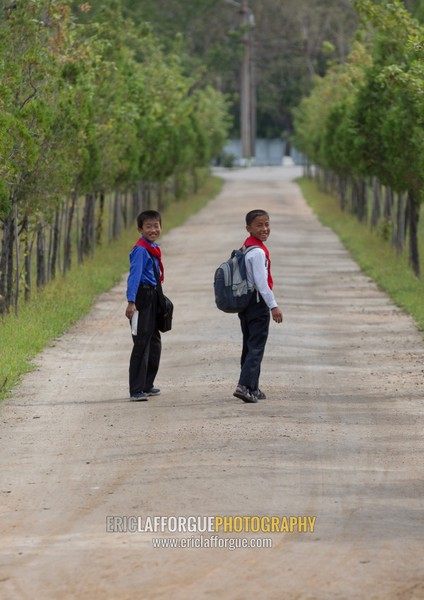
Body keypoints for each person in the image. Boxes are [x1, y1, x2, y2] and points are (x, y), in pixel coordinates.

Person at [233, 209, 283, 403]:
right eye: (259, 225)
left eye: (267, 224)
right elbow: (262, 284)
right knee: (256, 347)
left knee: (249, 345)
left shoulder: (247, 247)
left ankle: (252, 387)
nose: (265, 229)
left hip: (245, 303)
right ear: (248, 228)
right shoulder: (258, 252)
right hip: (257, 303)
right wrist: (273, 306)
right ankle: (244, 385)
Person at [125, 210, 164, 401]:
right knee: (141, 343)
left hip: (154, 294)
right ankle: (136, 389)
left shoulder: (152, 247)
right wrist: (131, 302)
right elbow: (134, 276)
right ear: (140, 229)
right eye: (148, 226)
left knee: (154, 341)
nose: (153, 229)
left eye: (156, 225)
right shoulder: (141, 249)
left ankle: (148, 383)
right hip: (142, 297)